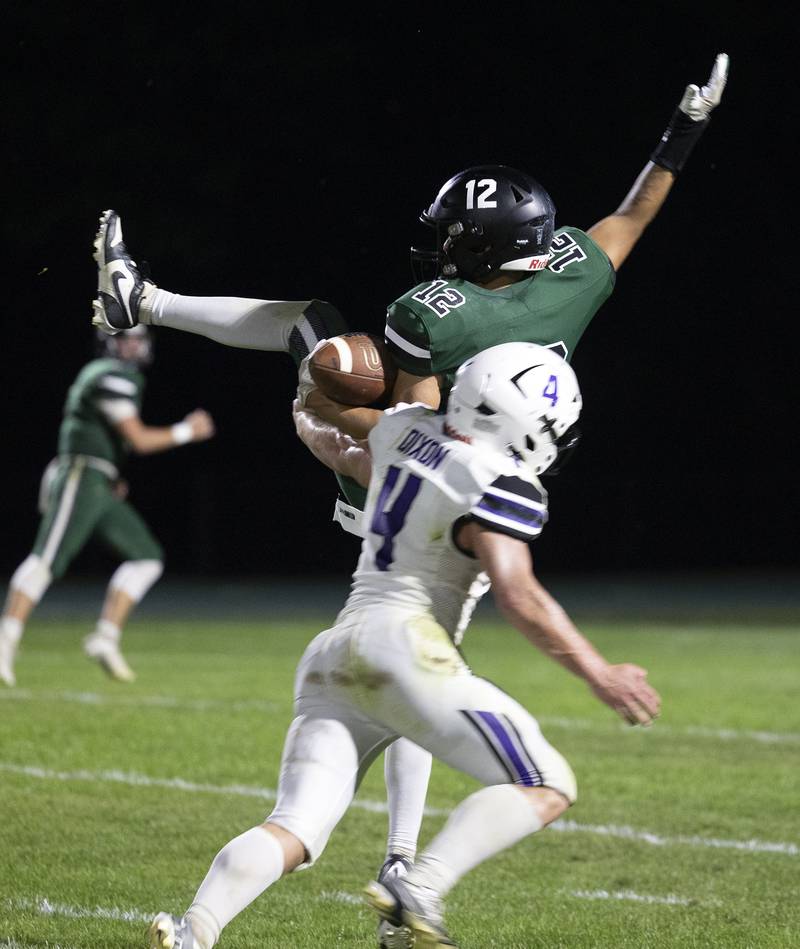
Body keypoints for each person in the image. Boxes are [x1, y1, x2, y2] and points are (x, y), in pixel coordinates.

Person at [90, 53, 726, 946]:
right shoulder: (508, 463)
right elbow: (627, 221)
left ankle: (194, 929)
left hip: (359, 579)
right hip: (423, 585)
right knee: (521, 755)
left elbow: (383, 431)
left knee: (300, 820)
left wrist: (312, 409)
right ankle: (409, 875)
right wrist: (683, 134)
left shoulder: (425, 350)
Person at [147, 342, 661, 949]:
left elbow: (332, 437)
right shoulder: (501, 479)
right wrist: (600, 673)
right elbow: (518, 594)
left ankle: (192, 931)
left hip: (336, 649)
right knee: (546, 783)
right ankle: (421, 886)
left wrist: (309, 392)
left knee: (294, 827)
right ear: (533, 424)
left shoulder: (404, 430)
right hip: (408, 645)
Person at [0, 326, 215, 687]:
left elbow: (114, 438)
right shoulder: (108, 376)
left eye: (137, 339)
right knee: (47, 559)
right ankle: (5, 641)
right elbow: (139, 439)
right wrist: (187, 431)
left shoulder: (121, 377)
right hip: (80, 475)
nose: (133, 345)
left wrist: (112, 472)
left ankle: (105, 637)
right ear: (110, 343)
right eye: (125, 339)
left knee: (146, 557)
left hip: (98, 479)